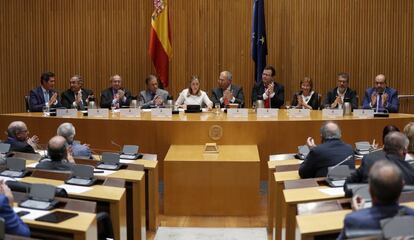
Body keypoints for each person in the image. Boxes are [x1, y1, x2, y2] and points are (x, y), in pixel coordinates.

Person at [338, 160, 414, 240]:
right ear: (402, 187)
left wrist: (358, 214)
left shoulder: (353, 220)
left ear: (369, 190)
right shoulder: (411, 215)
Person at [346, 132, 414, 184]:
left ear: (384, 147)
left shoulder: (369, 159)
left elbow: (348, 184)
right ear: (405, 150)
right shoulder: (410, 170)